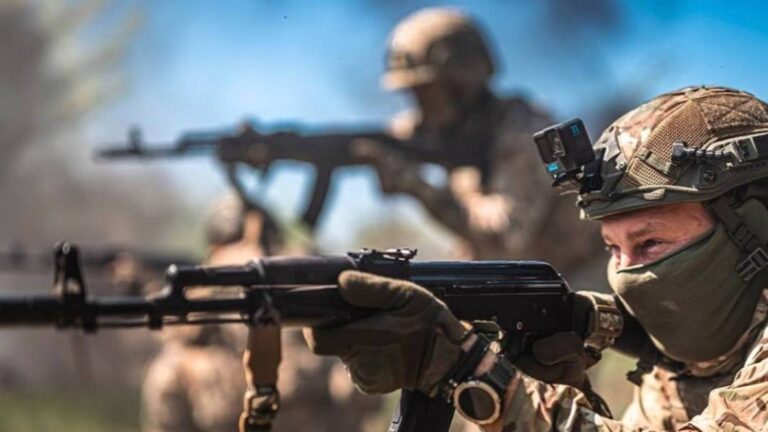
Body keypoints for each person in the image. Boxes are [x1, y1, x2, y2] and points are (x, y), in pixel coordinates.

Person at [304, 86, 768, 430]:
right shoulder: (684, 363)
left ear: (755, 226)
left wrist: (478, 377)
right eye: (612, 248)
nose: (626, 275)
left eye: (650, 244)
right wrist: (562, 390)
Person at [370, 7, 603, 279]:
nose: (418, 105)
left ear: (461, 85)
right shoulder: (457, 130)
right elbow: (404, 132)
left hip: (579, 281)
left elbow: (504, 241)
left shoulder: (527, 132)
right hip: (525, 282)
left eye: (424, 92)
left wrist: (418, 187)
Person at [141, 193, 382, 432]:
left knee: (168, 370)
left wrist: (155, 289)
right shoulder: (307, 259)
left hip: (264, 401)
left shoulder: (228, 266)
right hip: (317, 405)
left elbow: (180, 331)